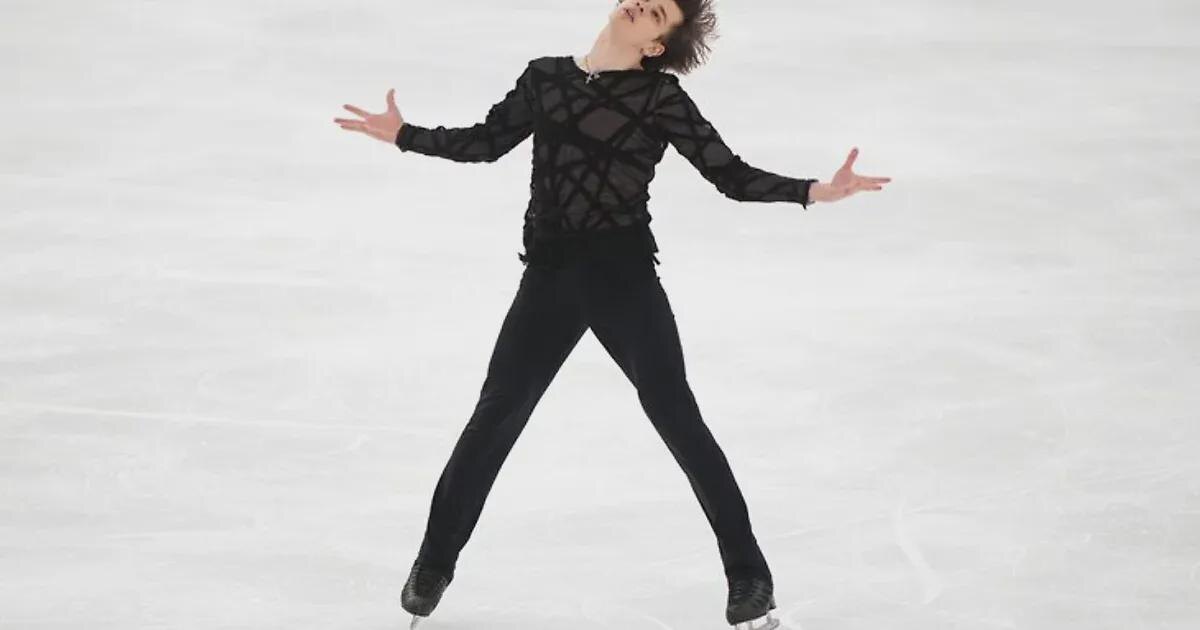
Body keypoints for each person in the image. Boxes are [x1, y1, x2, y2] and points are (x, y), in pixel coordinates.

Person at [334, 1, 890, 628]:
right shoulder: (544, 76)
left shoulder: (659, 98)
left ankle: (750, 577)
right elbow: (485, 143)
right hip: (549, 276)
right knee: (496, 414)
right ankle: (433, 566)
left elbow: (729, 176)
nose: (639, 5)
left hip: (623, 278)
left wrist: (815, 190)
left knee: (675, 413)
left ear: (656, 46)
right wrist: (405, 134)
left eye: (656, 13)